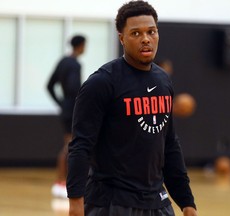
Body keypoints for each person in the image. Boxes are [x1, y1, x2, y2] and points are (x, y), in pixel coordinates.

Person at [67, 1, 197, 216]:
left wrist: (186, 201)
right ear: (122, 38)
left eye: (151, 32)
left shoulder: (163, 81)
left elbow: (170, 144)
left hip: (157, 202)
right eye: (136, 33)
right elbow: (81, 146)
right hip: (112, 203)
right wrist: (75, 204)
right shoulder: (101, 83)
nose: (146, 39)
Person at [47, 35, 86, 198]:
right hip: (73, 109)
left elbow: (49, 85)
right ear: (81, 46)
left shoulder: (63, 61)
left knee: (68, 144)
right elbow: (73, 87)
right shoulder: (75, 64)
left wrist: (61, 103)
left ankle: (60, 182)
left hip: (66, 109)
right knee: (70, 146)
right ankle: (62, 182)